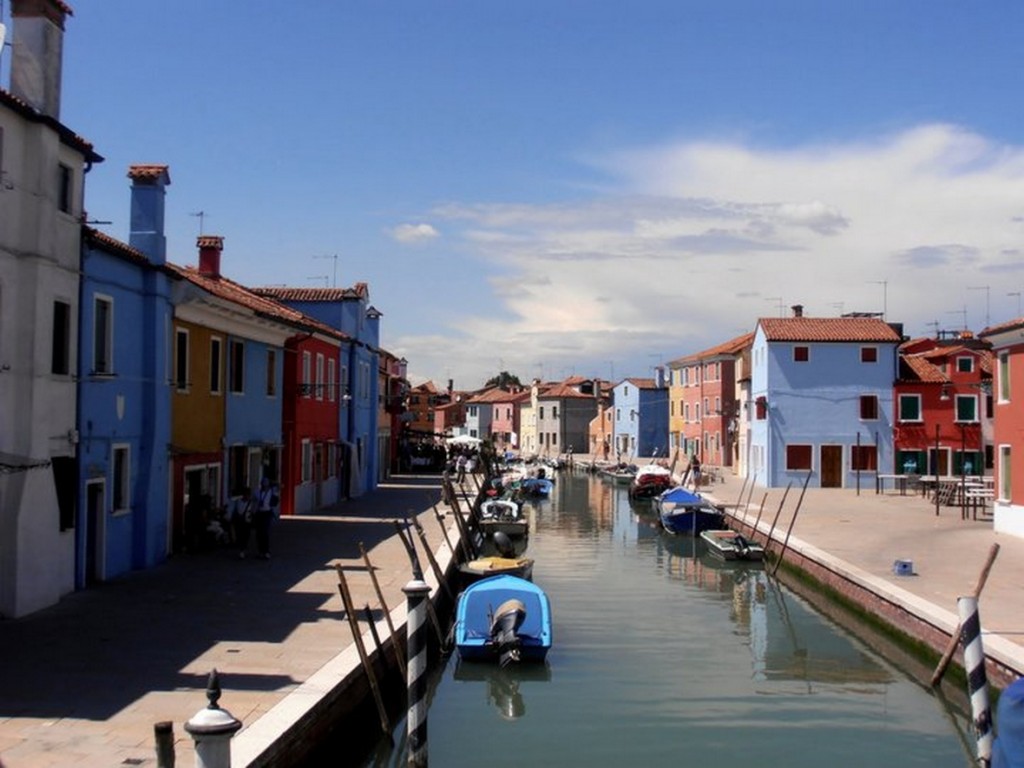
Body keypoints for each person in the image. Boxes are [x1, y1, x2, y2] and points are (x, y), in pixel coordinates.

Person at [253, 477, 279, 560]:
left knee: (265, 532)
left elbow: (279, 485)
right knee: (258, 533)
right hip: (259, 513)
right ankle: (260, 551)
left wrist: (273, 482)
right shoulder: (257, 492)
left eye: (266, 483)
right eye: (263, 483)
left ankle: (266, 551)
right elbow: (254, 501)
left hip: (267, 513)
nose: (264, 485)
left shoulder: (272, 491)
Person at [234, 487, 255, 559]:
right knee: (240, 535)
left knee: (245, 536)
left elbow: (252, 512)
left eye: (248, 494)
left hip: (247, 521)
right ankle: (242, 549)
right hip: (240, 521)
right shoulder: (238, 501)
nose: (247, 496)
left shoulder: (251, 503)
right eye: (246, 494)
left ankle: (243, 549)